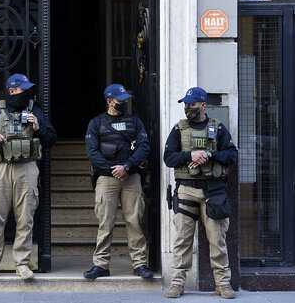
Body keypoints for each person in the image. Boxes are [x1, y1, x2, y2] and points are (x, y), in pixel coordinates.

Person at [0, 73, 56, 280]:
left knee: (25, 218)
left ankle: (22, 264)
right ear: (12, 91)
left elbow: (51, 139)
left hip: (26, 168)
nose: (27, 93)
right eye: (23, 90)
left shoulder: (35, 111)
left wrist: (38, 127)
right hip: (0, 168)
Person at [164, 87, 238, 299]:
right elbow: (168, 158)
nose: (188, 108)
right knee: (182, 240)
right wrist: (190, 154)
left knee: (217, 240)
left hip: (214, 191)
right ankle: (177, 283)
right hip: (186, 189)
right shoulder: (179, 129)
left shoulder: (219, 128)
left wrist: (209, 154)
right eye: (186, 105)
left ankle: (223, 284)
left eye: (192, 105)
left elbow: (231, 155)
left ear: (204, 105)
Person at [83, 84, 153, 279]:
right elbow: (93, 153)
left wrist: (128, 167)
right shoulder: (96, 123)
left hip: (131, 177)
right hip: (106, 178)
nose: (124, 103)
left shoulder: (135, 122)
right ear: (109, 101)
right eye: (121, 101)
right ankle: (101, 265)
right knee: (105, 222)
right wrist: (113, 170)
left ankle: (139, 264)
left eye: (125, 100)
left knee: (135, 221)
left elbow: (144, 147)